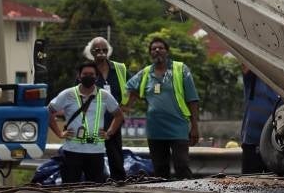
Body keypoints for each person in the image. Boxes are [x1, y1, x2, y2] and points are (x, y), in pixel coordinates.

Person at [126, 37, 200, 179]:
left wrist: (195, 126)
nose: (157, 50)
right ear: (150, 53)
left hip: (178, 127)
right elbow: (128, 88)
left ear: (167, 51)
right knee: (160, 170)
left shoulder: (181, 69)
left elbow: (192, 99)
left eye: (161, 48)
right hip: (155, 130)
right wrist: (126, 107)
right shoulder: (146, 73)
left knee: (182, 165)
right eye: (153, 49)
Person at [48, 61, 124, 184]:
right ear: (79, 76)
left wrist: (109, 133)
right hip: (72, 151)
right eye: (85, 74)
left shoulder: (104, 96)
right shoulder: (68, 94)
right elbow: (48, 112)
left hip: (96, 152)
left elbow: (119, 115)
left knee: (94, 191)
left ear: (97, 77)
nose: (88, 76)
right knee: (69, 189)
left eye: (91, 74)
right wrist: (59, 133)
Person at [83, 37, 129, 181]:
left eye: (104, 50)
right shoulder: (87, 70)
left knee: (115, 155)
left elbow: (132, 88)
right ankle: (96, 184)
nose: (101, 53)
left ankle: (119, 184)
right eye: (97, 50)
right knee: (94, 156)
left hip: (114, 119)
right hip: (94, 121)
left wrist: (125, 107)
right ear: (91, 52)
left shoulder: (119, 68)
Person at [240, 66, 280, 174]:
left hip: (276, 142)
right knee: (249, 184)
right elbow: (246, 62)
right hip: (253, 141)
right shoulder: (253, 77)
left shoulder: (283, 84)